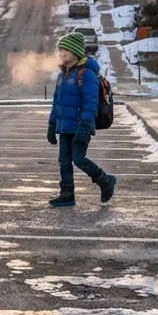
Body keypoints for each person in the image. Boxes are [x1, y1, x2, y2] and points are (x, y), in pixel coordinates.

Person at [47, 32, 117, 207]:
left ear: (75, 52)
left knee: (78, 158)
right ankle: (67, 194)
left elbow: (90, 102)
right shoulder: (63, 74)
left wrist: (85, 125)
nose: (61, 53)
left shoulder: (86, 74)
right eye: (60, 49)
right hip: (64, 126)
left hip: (80, 126)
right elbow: (57, 102)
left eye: (65, 49)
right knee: (64, 161)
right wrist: (51, 124)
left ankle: (106, 180)